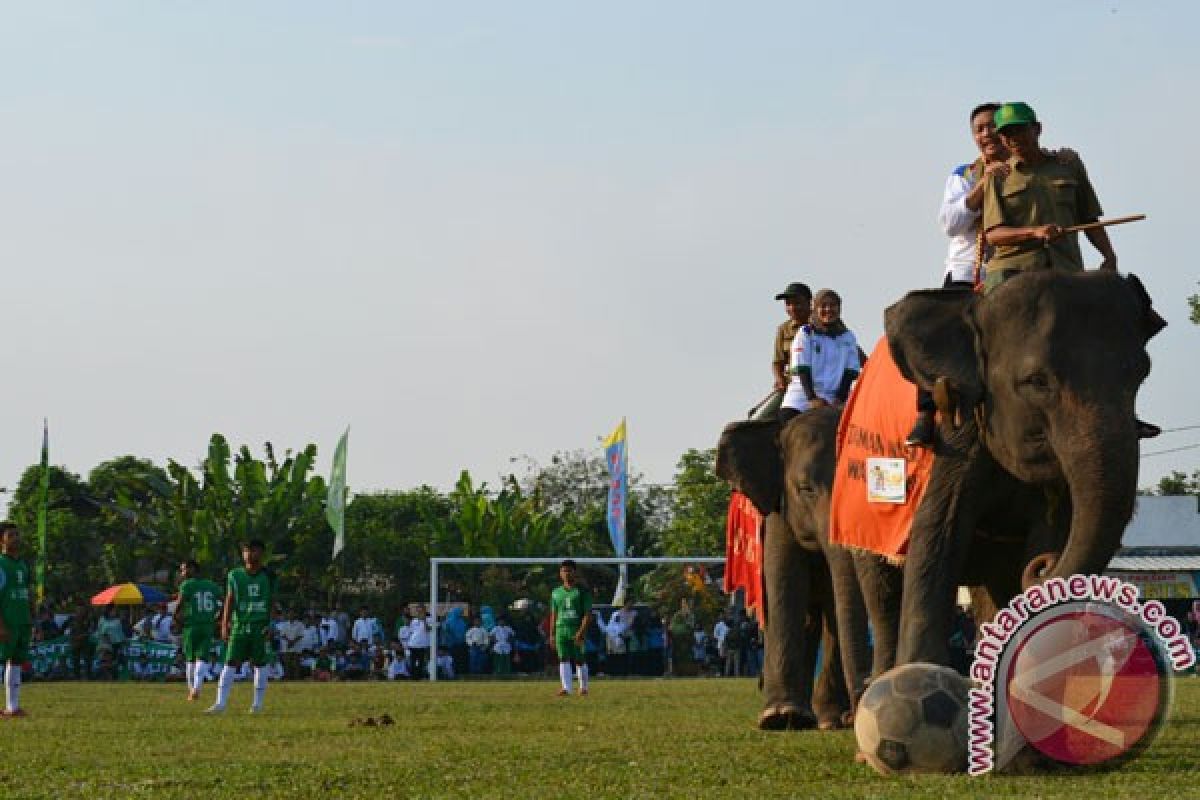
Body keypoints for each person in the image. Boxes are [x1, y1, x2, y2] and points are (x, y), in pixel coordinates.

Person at [981, 101, 1159, 438]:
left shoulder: (1068, 166)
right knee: (984, 335)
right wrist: (1032, 232)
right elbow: (993, 234)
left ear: (1037, 129)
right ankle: (971, 408)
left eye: (1020, 129)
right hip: (1014, 272)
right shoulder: (998, 176)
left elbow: (1089, 218)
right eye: (1007, 133)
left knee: (1118, 326)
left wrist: (1109, 255)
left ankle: (1125, 411)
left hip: (1065, 272)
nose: (1014, 137)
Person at [206, 539, 276, 714]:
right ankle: (220, 704)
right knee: (230, 662)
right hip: (240, 625)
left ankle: (257, 705)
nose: (249, 554)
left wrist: (271, 624)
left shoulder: (269, 575)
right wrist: (224, 624)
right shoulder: (234, 575)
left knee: (260, 663)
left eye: (254, 550)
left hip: (260, 625)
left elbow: (272, 601)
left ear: (261, 553)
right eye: (246, 551)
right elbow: (230, 600)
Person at [779, 289, 861, 421]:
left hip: (836, 397)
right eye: (823, 306)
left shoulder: (847, 337)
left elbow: (850, 371)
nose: (828, 309)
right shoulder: (805, 333)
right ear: (815, 309)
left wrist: (839, 399)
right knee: (784, 422)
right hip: (802, 396)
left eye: (833, 305)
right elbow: (802, 368)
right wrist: (812, 399)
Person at [752, 282, 813, 419]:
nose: (792, 308)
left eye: (797, 303)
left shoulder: (824, 325)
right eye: (788, 304)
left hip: (823, 386)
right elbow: (777, 362)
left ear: (810, 303)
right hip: (793, 388)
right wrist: (780, 379)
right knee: (760, 421)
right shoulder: (783, 329)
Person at [0, 524, 33, 717]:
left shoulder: (22, 564)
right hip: (7, 621)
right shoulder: (1, 564)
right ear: (1, 541)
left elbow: (26, 593)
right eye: (10, 535)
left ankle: (12, 707)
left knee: (16, 661)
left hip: (22, 621)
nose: (16, 538)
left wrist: (31, 613)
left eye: (17, 535)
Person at [549, 559, 593, 697]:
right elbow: (554, 614)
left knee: (579, 659)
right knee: (563, 658)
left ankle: (583, 687)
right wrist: (552, 634)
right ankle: (566, 688)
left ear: (575, 572)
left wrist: (581, 631)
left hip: (575, 628)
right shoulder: (556, 592)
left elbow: (587, 614)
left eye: (569, 570)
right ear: (560, 573)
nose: (566, 573)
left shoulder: (582, 591)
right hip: (561, 628)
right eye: (563, 570)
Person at [69, 598, 95, 680]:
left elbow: (91, 630)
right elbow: (70, 631)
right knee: (75, 661)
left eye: (82, 609)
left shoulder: (88, 619)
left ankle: (88, 676)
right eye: (78, 609)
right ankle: (77, 677)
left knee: (87, 660)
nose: (80, 611)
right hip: (75, 642)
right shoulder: (72, 619)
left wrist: (85, 634)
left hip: (85, 642)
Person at [404, 606, 431, 680]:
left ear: (425, 611)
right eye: (418, 612)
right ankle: (413, 677)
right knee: (412, 662)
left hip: (422, 645)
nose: (419, 613)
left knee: (421, 662)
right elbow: (412, 632)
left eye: (421, 611)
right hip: (413, 644)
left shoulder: (429, 619)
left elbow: (428, 630)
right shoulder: (414, 620)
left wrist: (424, 620)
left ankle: (420, 677)